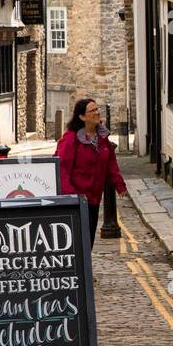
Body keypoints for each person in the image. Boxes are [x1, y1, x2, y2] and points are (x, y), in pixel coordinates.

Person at [55, 98, 126, 248]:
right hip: (77, 199)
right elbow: (62, 168)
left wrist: (119, 184)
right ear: (81, 116)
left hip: (94, 198)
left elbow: (111, 163)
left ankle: (85, 270)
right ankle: (81, 271)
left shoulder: (103, 138)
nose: (97, 112)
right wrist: (71, 196)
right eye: (92, 110)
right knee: (78, 243)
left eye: (97, 109)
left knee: (88, 241)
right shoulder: (70, 139)